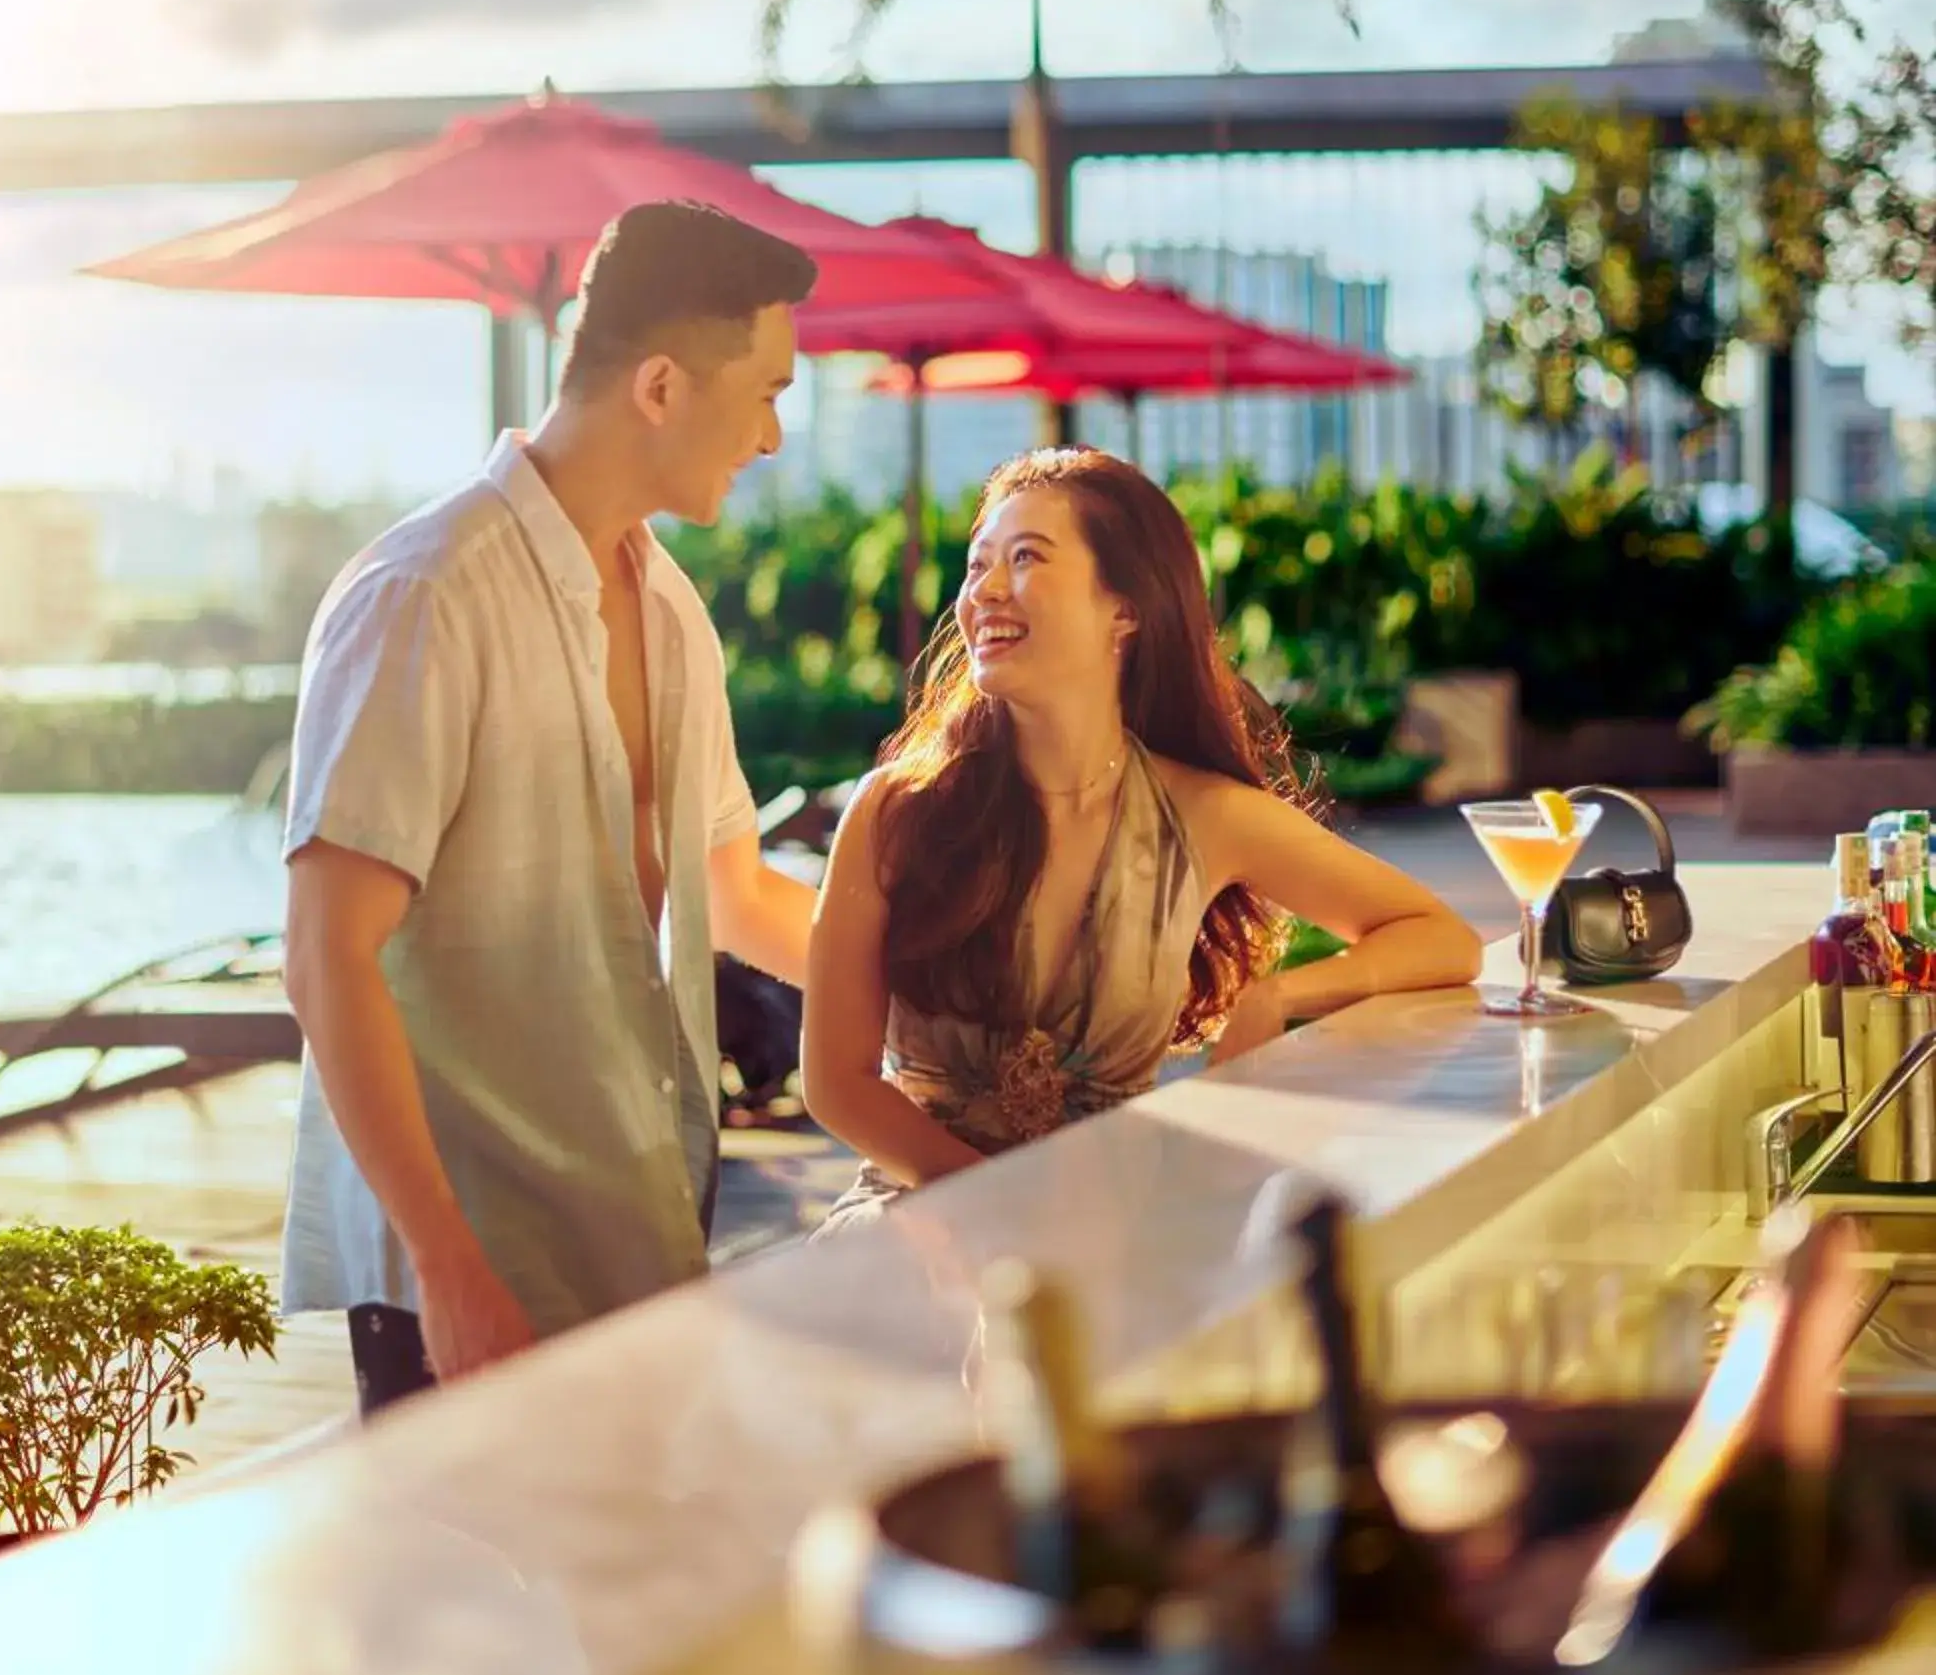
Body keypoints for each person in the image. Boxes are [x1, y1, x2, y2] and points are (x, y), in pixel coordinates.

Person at [279, 201, 821, 1414]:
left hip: (637, 1233)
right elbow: (323, 959)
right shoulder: (425, 595)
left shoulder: (672, 608)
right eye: (769, 390)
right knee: (468, 1605)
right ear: (665, 386)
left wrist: (948, 997)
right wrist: (449, 1267)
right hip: (468, 1274)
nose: (776, 435)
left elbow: (733, 898)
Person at [801, 448, 1482, 1211]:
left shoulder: (1204, 814)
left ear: (1124, 608)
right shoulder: (898, 806)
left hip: (1120, 1219)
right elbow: (837, 1083)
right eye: (976, 564)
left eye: (1025, 558)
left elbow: (1439, 936)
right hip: (921, 1217)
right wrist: (1000, 1207)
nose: (984, 591)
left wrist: (1276, 1000)